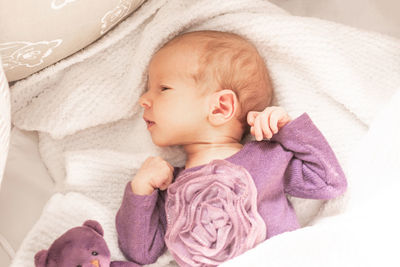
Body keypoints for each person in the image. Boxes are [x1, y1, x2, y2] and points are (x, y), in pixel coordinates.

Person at [115, 30, 347, 266]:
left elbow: (328, 182)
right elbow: (141, 253)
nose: (143, 99)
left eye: (163, 88)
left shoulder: (266, 157)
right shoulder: (169, 186)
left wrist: (286, 129)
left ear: (220, 107)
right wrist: (140, 191)